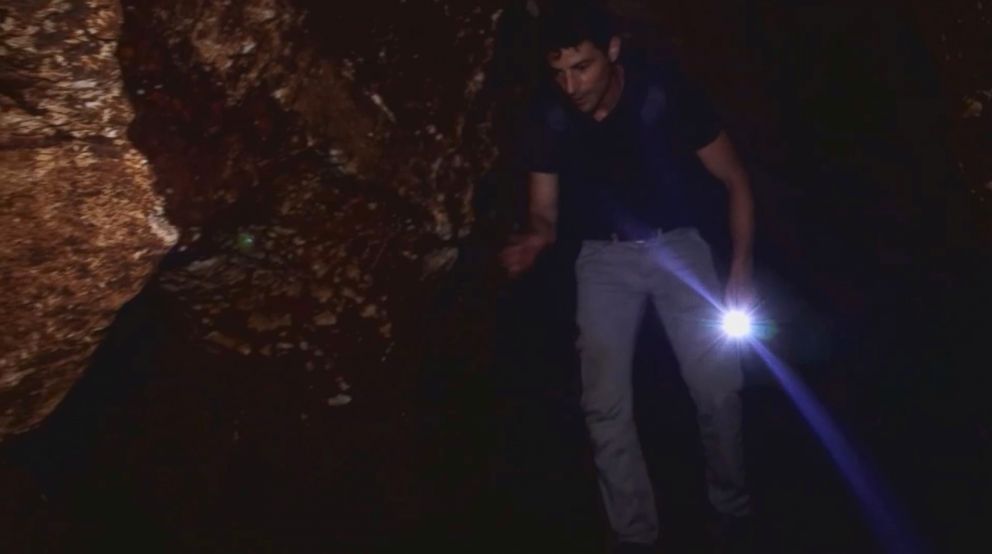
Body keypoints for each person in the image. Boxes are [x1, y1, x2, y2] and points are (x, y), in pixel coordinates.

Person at [500, 2, 756, 552]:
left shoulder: (664, 93)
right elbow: (544, 212)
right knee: (604, 402)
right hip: (604, 259)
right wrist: (534, 239)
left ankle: (732, 508)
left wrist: (739, 270)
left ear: (612, 50)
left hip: (678, 246)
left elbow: (735, 178)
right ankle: (633, 535)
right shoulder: (549, 113)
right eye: (559, 72)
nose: (570, 84)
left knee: (717, 388)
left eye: (582, 67)